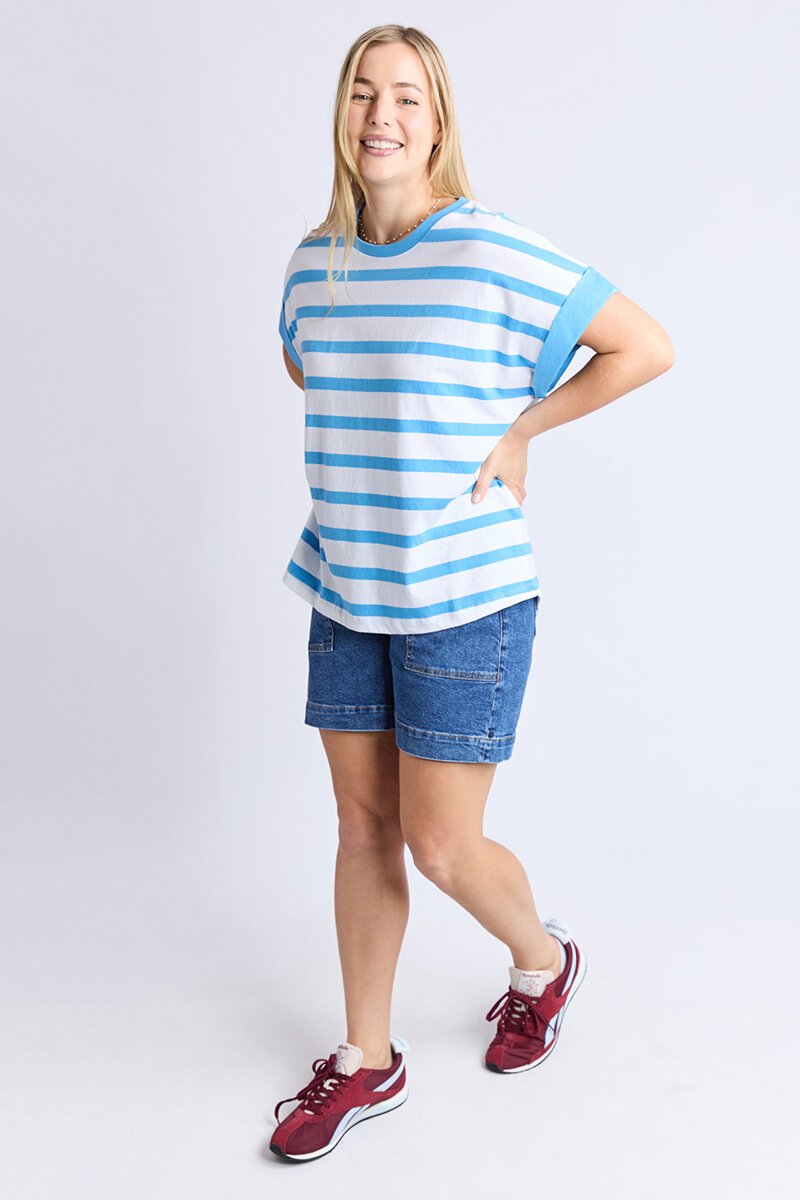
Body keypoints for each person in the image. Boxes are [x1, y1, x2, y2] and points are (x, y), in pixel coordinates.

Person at [270, 24, 674, 1163]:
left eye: (406, 96)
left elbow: (643, 345)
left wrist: (521, 429)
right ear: (341, 112)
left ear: (438, 120)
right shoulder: (312, 264)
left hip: (463, 596)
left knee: (441, 847)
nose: (381, 116)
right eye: (363, 93)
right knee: (361, 827)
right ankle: (366, 1058)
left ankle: (542, 962)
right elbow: (316, 373)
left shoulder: (488, 249)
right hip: (346, 586)